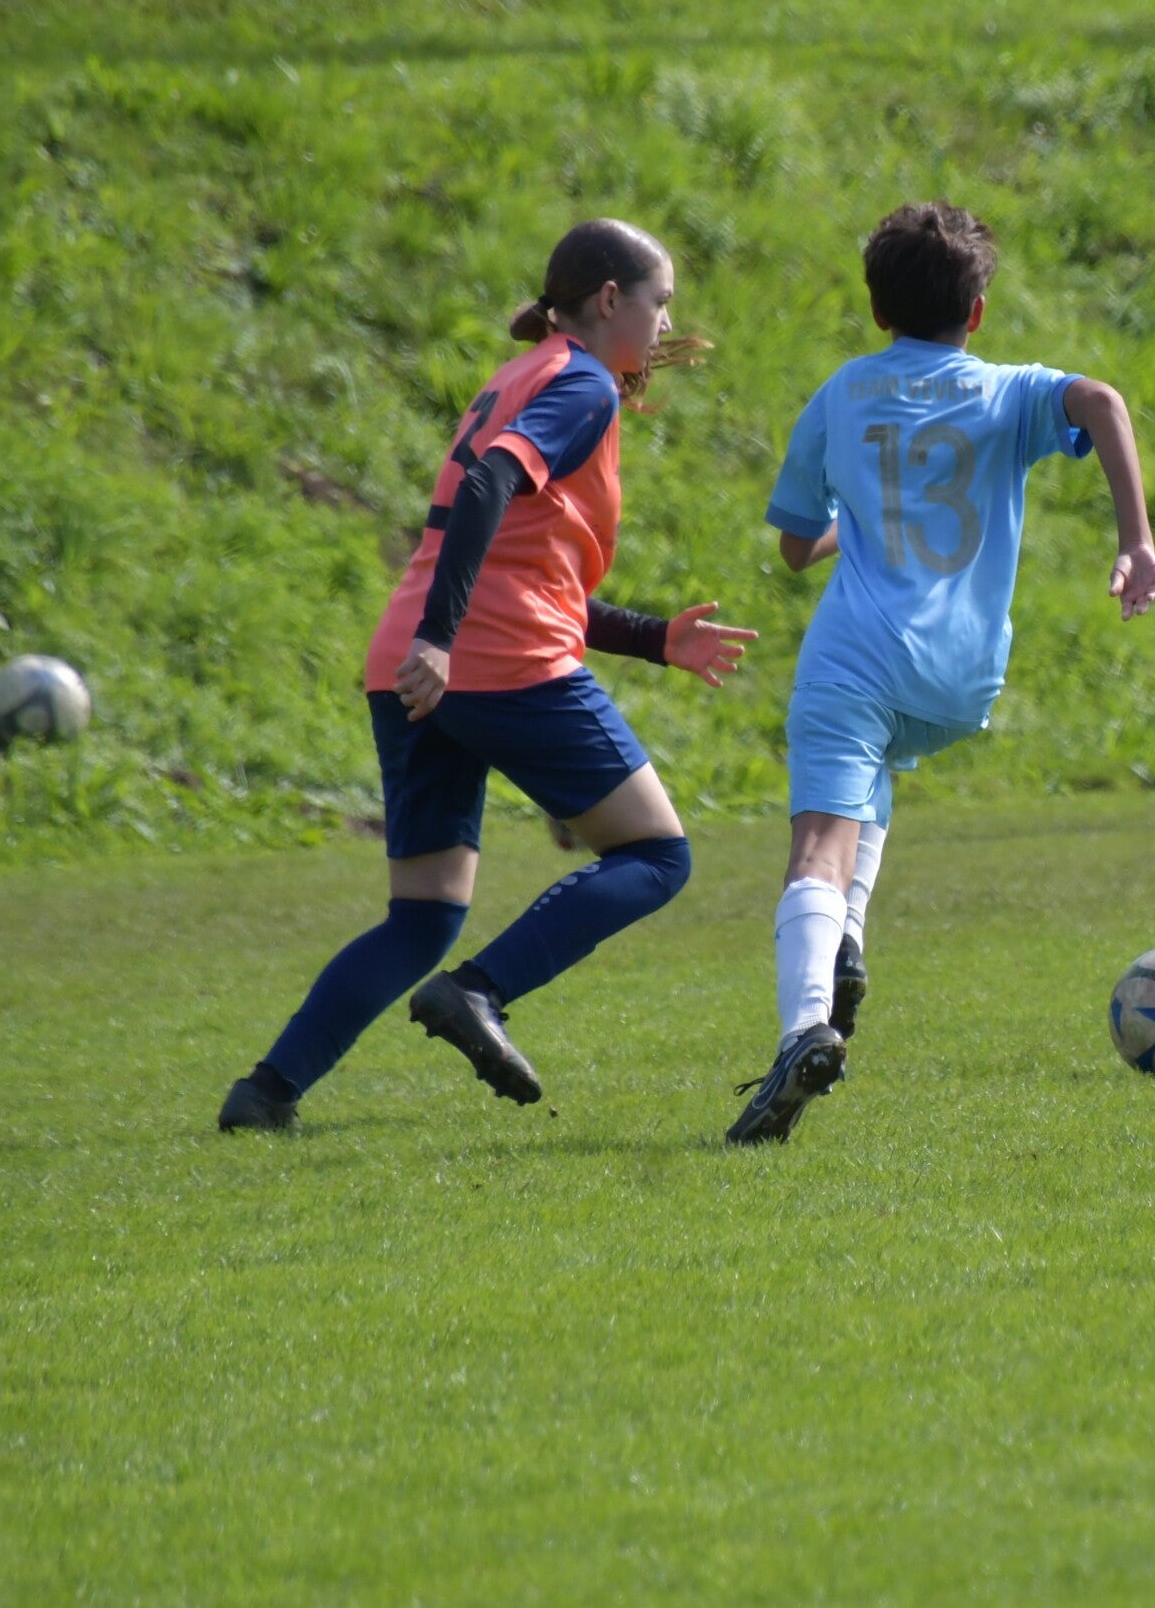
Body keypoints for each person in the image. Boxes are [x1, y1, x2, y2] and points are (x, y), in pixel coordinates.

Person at [219, 219, 755, 1131]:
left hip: (410, 659)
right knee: (658, 856)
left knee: (422, 916)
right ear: (610, 300)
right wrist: (444, 639)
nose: (667, 323)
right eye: (660, 301)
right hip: (489, 656)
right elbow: (488, 488)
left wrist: (653, 639)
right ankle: (477, 992)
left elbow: (519, 561)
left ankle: (265, 1094)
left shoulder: (522, 373)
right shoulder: (583, 384)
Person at [726, 201, 1155, 1146]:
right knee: (873, 776)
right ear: (976, 313)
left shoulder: (842, 394)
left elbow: (797, 547)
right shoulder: (1007, 392)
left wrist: (857, 522)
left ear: (877, 310)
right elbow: (1101, 400)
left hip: (858, 657)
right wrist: (1136, 538)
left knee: (818, 841)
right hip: (962, 682)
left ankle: (805, 1029)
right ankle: (848, 936)